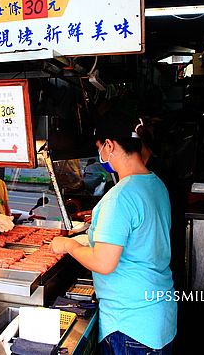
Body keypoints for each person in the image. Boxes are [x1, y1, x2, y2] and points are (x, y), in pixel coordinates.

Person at [52, 112, 177, 354]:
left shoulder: (120, 196)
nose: (101, 155)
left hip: (130, 325)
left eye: (100, 147)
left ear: (110, 145)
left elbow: (104, 262)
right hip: (159, 317)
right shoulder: (156, 184)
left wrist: (68, 245)